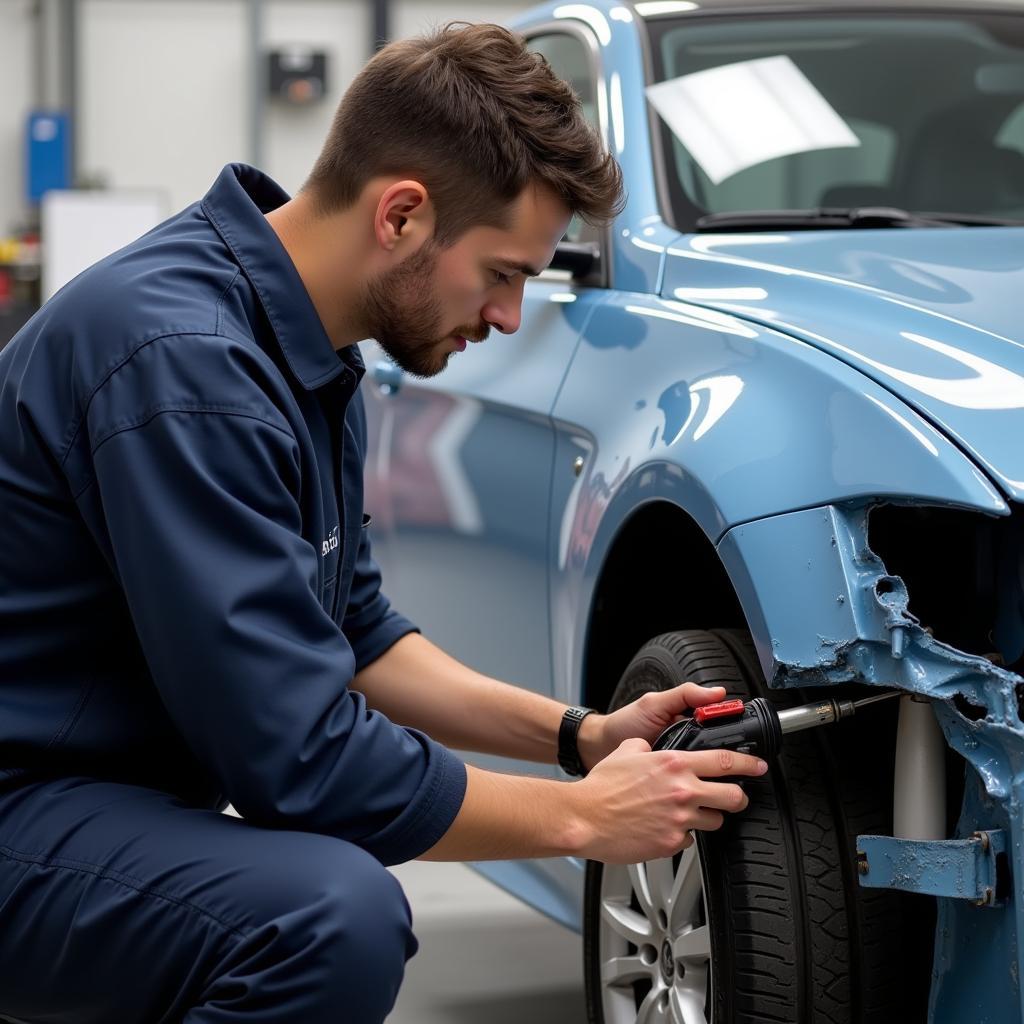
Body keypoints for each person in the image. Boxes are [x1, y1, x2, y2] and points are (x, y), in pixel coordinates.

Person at [0, 22, 766, 1023]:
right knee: (327, 915)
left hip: (88, 797)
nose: (506, 316)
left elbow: (355, 630)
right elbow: (299, 760)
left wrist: (579, 736)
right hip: (26, 802)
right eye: (501, 272)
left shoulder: (303, 350)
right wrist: (580, 818)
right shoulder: (184, 362)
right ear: (401, 214)